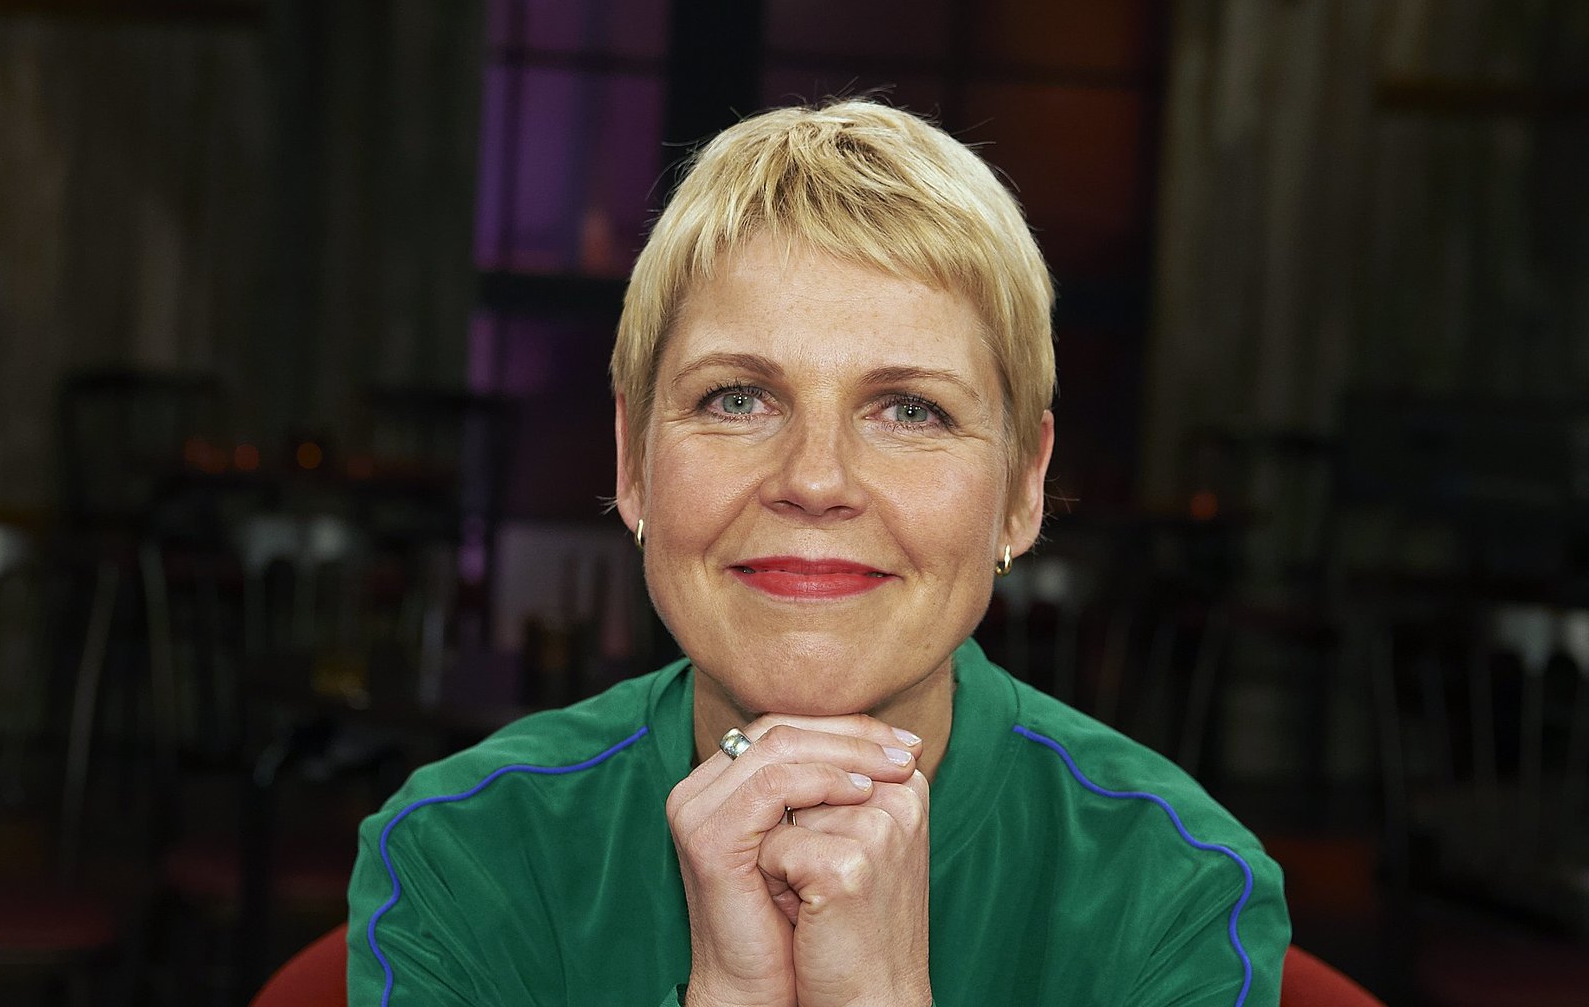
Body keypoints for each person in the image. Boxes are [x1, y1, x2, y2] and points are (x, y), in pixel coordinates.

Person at [347, 99, 1289, 1006]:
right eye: (737, 399)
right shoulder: (455, 856)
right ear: (633, 462)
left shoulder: (1180, 891)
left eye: (911, 410)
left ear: (1022, 492)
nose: (814, 479)